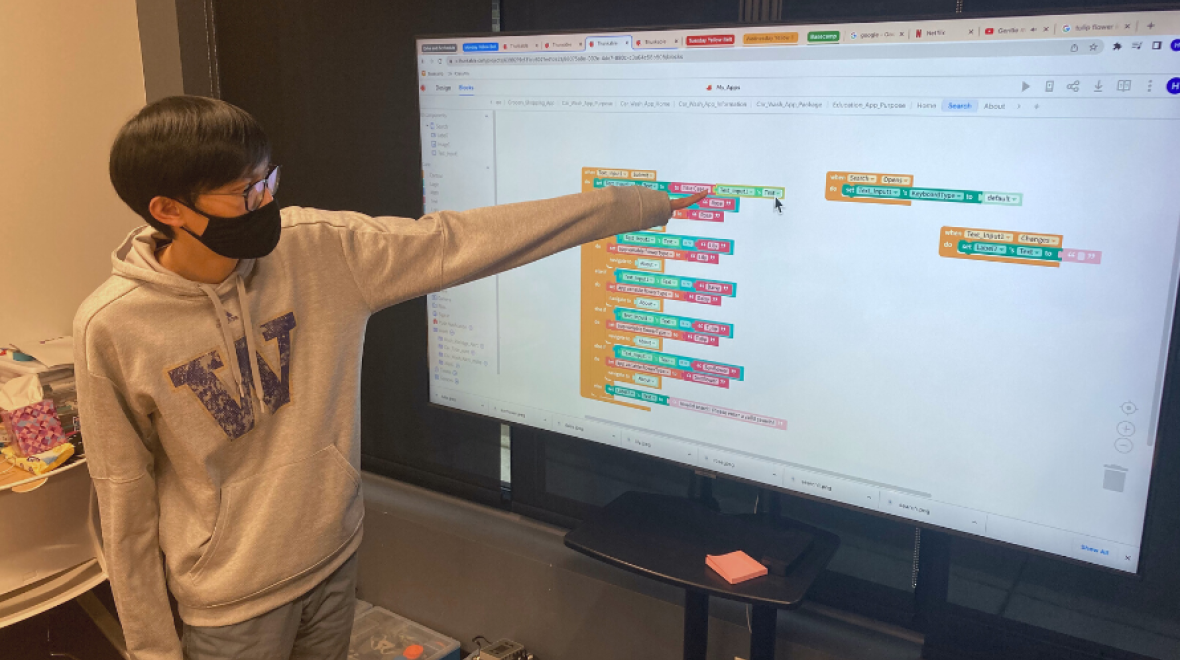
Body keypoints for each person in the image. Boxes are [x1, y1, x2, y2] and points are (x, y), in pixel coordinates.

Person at [74, 95, 705, 660]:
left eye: (270, 181)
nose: (267, 202)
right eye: (246, 193)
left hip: (333, 558)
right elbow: (122, 499)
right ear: (168, 209)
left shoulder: (321, 250)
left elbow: (458, 240)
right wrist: (152, 649)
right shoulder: (114, 326)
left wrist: (631, 206)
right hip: (229, 605)